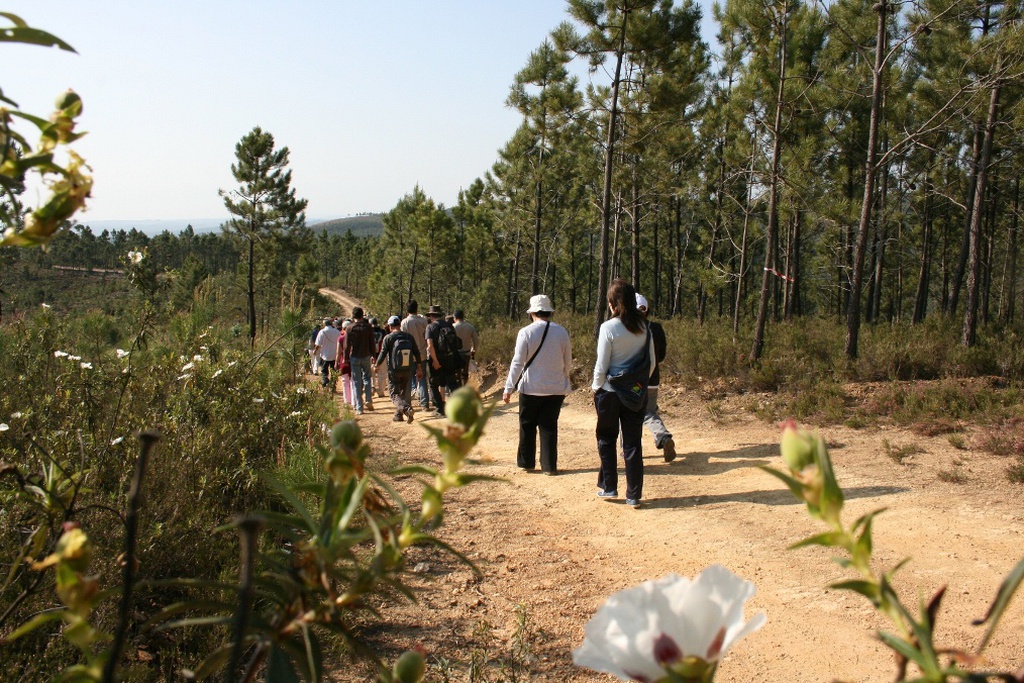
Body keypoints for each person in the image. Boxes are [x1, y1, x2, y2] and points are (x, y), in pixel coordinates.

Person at [592, 279, 656, 509]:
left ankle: (609, 486)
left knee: (607, 438)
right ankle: (634, 495)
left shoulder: (608, 328)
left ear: (613, 303)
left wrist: (596, 387)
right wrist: (638, 385)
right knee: (632, 443)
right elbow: (651, 363)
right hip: (635, 394)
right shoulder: (645, 327)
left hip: (609, 393)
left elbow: (602, 364)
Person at [502, 294, 572, 475]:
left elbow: (517, 363)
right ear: (549, 311)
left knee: (527, 424)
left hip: (531, 387)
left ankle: (527, 462)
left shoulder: (525, 332)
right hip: (556, 387)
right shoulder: (561, 331)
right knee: (549, 426)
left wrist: (509, 387)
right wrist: (563, 377)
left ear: (532, 312)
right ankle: (549, 466)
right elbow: (568, 361)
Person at [636, 293, 676, 462]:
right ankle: (663, 437)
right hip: (653, 379)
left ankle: (630, 449)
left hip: (634, 382)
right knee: (649, 412)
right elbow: (661, 356)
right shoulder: (656, 328)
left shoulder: (626, 329)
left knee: (630, 414)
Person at [374, 315, 423, 422]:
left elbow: (382, 354)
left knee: (394, 394)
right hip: (407, 368)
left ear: (390, 326)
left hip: (394, 370)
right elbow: (416, 353)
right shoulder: (409, 337)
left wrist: (376, 366)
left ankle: (407, 409)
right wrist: (419, 368)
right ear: (400, 325)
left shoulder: (388, 338)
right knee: (402, 393)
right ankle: (398, 415)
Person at [424, 304, 462, 416]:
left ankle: (439, 409)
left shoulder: (430, 327)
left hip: (436, 360)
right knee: (452, 383)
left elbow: (430, 346)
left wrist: (435, 361)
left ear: (431, 316)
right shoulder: (450, 326)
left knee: (433, 384)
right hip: (449, 358)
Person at [343, 307, 376, 414]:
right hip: (366, 355)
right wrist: (374, 355)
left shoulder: (349, 328)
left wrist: (346, 358)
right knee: (367, 379)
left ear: (353, 316)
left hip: (354, 357)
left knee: (357, 382)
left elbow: (347, 345)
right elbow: (372, 342)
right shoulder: (368, 327)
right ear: (362, 315)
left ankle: (359, 407)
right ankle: (368, 400)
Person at [401, 300, 430, 411]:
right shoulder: (423, 321)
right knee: (422, 379)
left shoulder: (404, 323)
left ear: (407, 309)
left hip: (408, 355)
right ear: (417, 308)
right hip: (422, 354)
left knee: (408, 380)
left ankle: (408, 404)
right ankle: (424, 404)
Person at [453, 308, 480, 386]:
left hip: (456, 354)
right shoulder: (470, 327)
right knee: (465, 374)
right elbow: (476, 340)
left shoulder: (452, 327)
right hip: (467, 353)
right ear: (463, 317)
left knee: (456, 374)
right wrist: (474, 349)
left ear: (455, 317)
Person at [313, 317, 341, 391]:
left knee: (324, 371)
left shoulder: (322, 332)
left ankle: (325, 383)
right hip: (335, 355)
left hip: (325, 355)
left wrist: (315, 351)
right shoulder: (337, 332)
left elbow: (318, 344)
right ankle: (333, 386)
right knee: (334, 371)